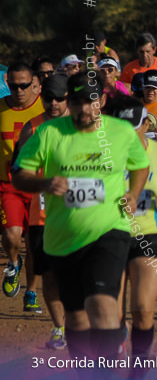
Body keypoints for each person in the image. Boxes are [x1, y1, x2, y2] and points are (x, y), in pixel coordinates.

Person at [13, 73, 150, 360]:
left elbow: (140, 165)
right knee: (76, 320)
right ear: (68, 103)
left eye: (90, 102)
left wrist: (134, 194)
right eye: (76, 102)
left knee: (102, 306)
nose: (84, 109)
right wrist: (44, 183)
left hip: (109, 231)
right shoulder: (50, 133)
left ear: (101, 100)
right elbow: (19, 174)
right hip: (62, 238)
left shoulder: (121, 132)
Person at [110, 97, 157, 359]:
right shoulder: (102, 155)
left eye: (134, 126)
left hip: (148, 236)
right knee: (113, 315)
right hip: (109, 235)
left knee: (142, 309)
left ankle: (138, 368)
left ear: (145, 124)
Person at [12, 75, 69, 346]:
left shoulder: (84, 126)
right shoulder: (32, 128)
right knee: (48, 273)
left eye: (59, 98)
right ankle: (60, 328)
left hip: (81, 213)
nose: (54, 103)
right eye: (49, 98)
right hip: (43, 213)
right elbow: (18, 171)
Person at [1, 62, 43, 298]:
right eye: (14, 86)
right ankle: (13, 263)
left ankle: (32, 291)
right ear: (7, 83)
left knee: (35, 246)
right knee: (11, 235)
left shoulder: (46, 111)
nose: (19, 91)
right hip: (9, 187)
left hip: (39, 188)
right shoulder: (0, 109)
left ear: (34, 84)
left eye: (24, 85)